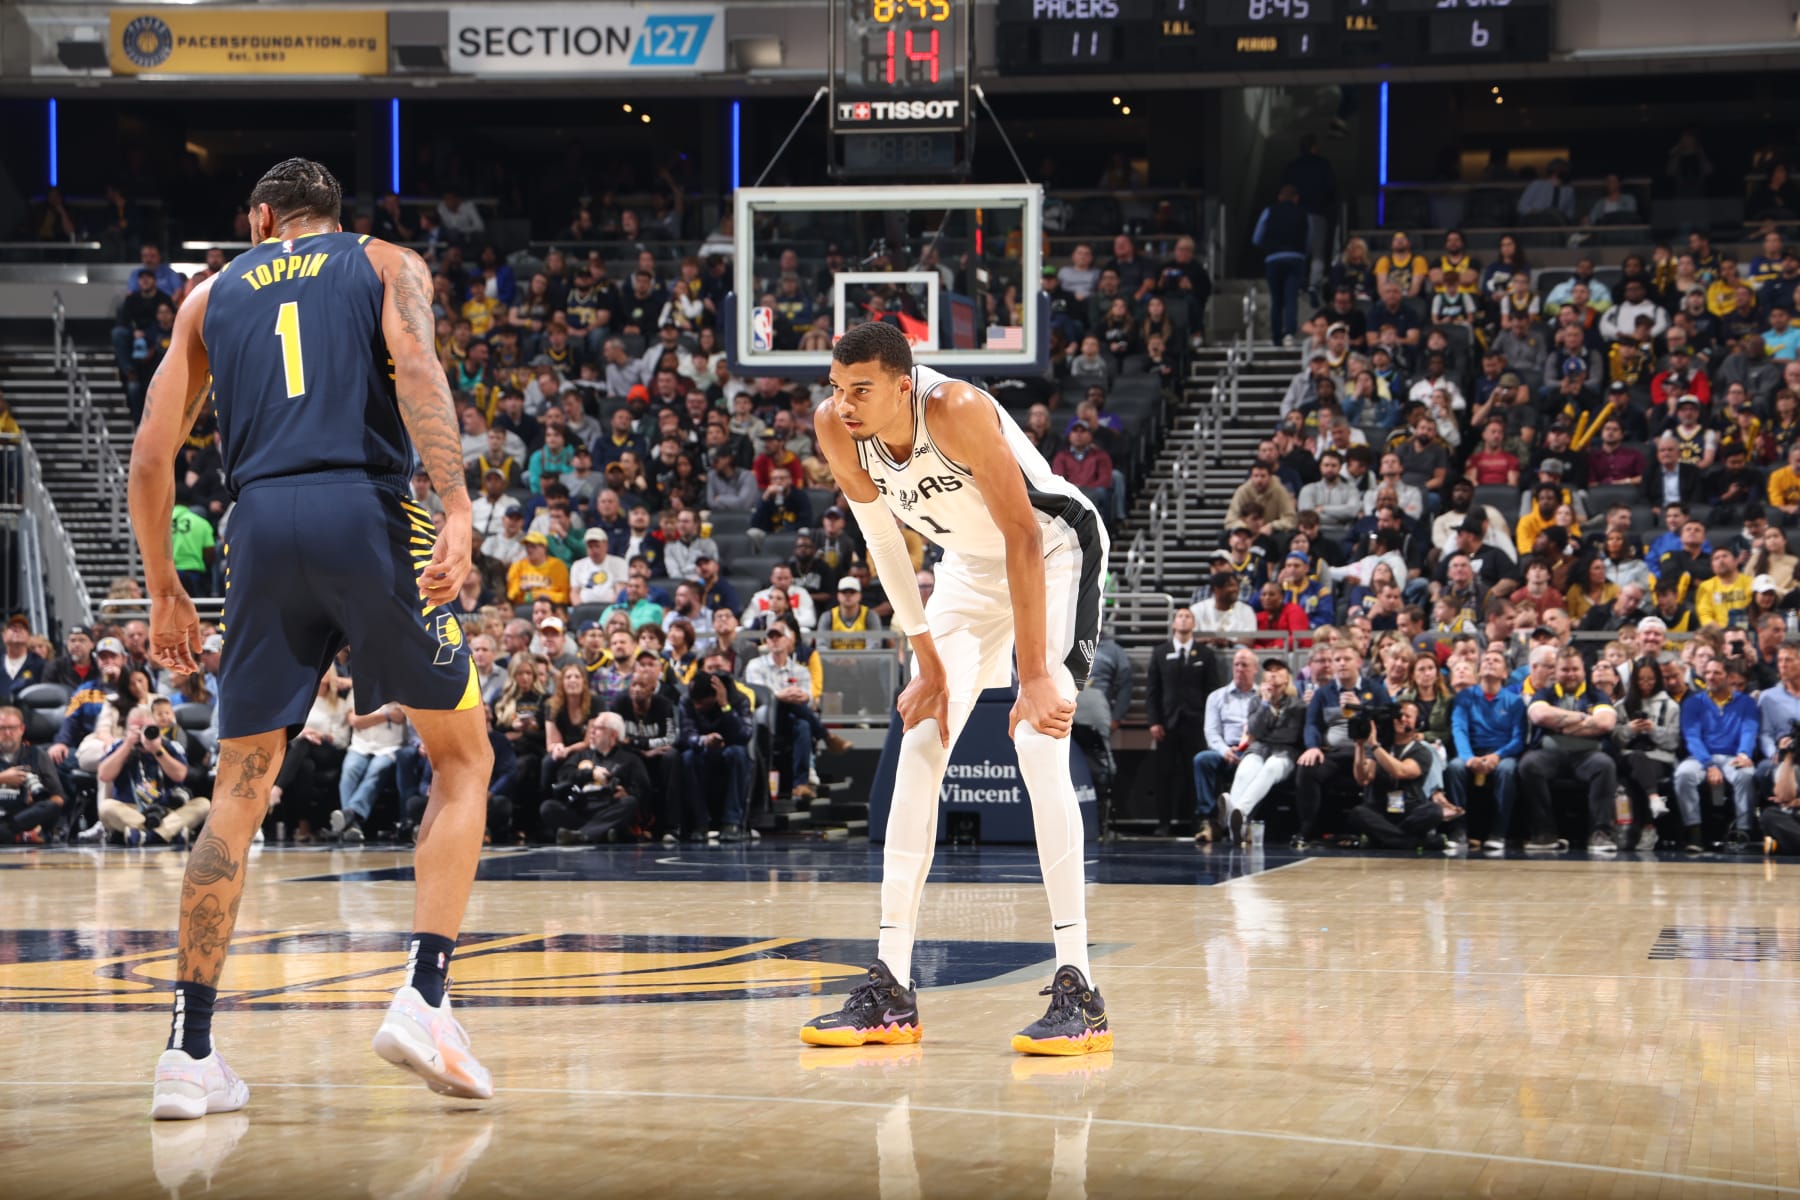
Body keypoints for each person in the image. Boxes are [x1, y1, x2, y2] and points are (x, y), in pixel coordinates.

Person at [126, 159, 496, 1117]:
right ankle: (424, 995)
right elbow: (417, 368)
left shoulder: (207, 298)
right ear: (335, 218)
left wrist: (167, 588)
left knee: (236, 793)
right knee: (462, 758)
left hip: (260, 528)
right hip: (365, 512)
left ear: (260, 219)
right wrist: (454, 503)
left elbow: (151, 456)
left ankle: (187, 1051)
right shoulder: (382, 261)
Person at [800, 321, 1112, 1056]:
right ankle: (890, 986)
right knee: (919, 739)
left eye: (861, 390)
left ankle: (1080, 987)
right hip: (968, 573)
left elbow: (1025, 537)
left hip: (1055, 550)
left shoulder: (958, 410)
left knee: (1040, 741)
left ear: (903, 386)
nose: (843, 403)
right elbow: (883, 541)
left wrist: (1034, 674)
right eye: (837, 388)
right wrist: (927, 658)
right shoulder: (834, 429)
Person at [1519, 647, 1620, 855]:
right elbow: (1539, 716)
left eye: (1575, 669)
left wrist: (1560, 724)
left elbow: (1606, 723)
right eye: (1565, 669)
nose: (1571, 674)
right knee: (1529, 764)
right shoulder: (1544, 693)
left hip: (1587, 756)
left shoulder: (1596, 694)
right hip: (1550, 755)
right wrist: (1583, 718)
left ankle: (1600, 833)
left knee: (1605, 765)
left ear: (1583, 671)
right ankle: (1544, 832)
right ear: (1556, 672)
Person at [1343, 700, 1457, 852]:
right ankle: (1417, 843)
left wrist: (1375, 746)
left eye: (1408, 716)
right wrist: (1359, 746)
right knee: (1358, 813)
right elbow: (1363, 778)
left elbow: (1401, 771)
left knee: (1434, 811)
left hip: (1410, 809)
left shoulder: (1421, 750)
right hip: (1381, 807)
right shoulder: (1380, 746)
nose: (1403, 719)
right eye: (1399, 715)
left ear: (1418, 722)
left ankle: (1383, 840)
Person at [1672, 658, 1759, 853]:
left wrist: (1744, 754)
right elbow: (1692, 737)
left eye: (1717, 672)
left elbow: (1749, 730)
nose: (1711, 677)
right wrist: (1709, 764)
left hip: (1732, 756)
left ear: (1729, 677)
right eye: (1708, 672)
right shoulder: (1693, 702)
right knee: (1683, 774)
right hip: (1701, 757)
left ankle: (1743, 833)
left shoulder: (1746, 703)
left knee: (1746, 775)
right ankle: (1694, 833)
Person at [1146, 609, 1219, 838]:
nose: (1184, 619)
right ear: (1173, 623)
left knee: (1193, 775)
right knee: (1164, 775)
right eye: (1180, 616)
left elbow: (1212, 692)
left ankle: (1195, 822)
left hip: (1196, 723)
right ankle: (1163, 823)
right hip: (1167, 724)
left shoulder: (1206, 654)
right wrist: (1154, 721)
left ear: (1194, 623)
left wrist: (1210, 723)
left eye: (1188, 616)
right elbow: (1152, 691)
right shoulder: (1160, 652)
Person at [95, 703, 208, 846]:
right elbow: (104, 775)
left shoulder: (169, 746)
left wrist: (158, 751)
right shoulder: (119, 746)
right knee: (106, 807)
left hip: (165, 812)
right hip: (130, 810)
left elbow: (180, 775)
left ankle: (146, 836)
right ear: (128, 730)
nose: (142, 734)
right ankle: (168, 833)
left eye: (146, 729)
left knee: (204, 804)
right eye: (137, 729)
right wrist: (127, 745)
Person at [1219, 657, 1305, 843]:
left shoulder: (1297, 704)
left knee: (1270, 768)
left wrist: (1266, 733)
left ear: (1287, 676)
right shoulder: (1257, 701)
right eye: (1269, 670)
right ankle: (1238, 828)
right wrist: (1265, 705)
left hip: (1285, 752)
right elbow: (1255, 730)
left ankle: (1237, 812)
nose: (1273, 673)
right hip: (1259, 748)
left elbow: (1290, 735)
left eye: (1278, 669)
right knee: (1245, 769)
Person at [541, 712, 651, 845]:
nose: (591, 732)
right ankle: (599, 833)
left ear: (613, 734)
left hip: (608, 808)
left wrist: (627, 793)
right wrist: (590, 774)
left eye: (598, 728)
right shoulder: (583, 755)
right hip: (581, 806)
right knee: (548, 807)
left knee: (629, 803)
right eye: (591, 728)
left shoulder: (630, 759)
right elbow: (563, 775)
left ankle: (582, 834)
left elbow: (644, 790)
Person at [0, 704, 64, 843]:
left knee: (50, 807)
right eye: (2, 728)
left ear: (22, 729)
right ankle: (18, 836)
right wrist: (3, 778)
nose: (7, 733)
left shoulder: (38, 755)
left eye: (12, 728)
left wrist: (37, 799)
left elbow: (58, 798)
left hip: (24, 816)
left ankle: (9, 832)